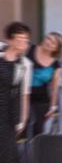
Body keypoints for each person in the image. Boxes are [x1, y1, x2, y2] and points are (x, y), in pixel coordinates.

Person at [0, 22, 32, 163]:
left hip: (8, 112)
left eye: (25, 39)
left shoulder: (25, 64)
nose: (23, 42)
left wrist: (23, 119)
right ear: (9, 39)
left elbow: (24, 94)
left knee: (7, 152)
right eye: (19, 38)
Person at [26, 32, 62, 137]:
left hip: (41, 99)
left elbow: (54, 88)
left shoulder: (56, 64)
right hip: (21, 95)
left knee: (38, 129)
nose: (49, 43)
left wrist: (52, 107)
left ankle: (34, 152)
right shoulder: (30, 49)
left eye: (53, 43)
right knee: (21, 126)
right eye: (48, 39)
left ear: (56, 48)